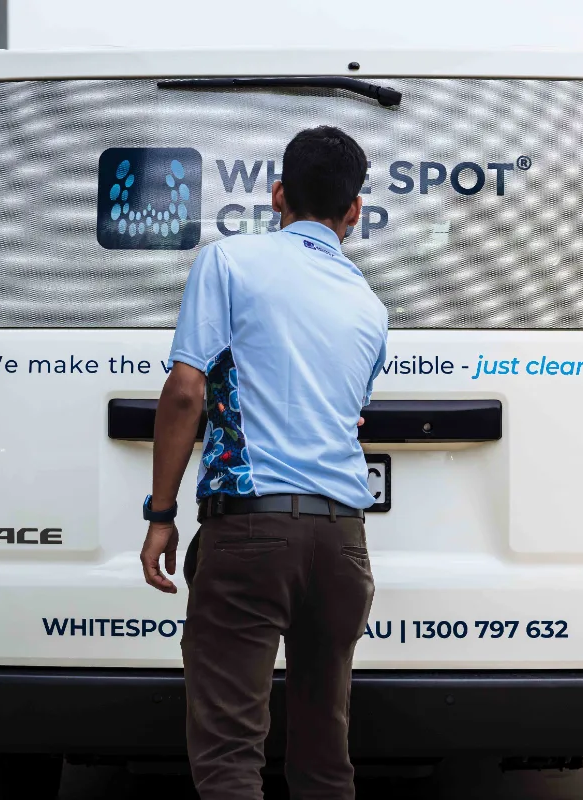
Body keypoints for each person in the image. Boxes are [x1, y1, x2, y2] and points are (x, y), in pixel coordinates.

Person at [139, 126, 388, 799]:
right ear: (354, 212)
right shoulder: (371, 307)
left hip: (250, 532)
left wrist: (160, 513)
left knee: (229, 754)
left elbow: (187, 390)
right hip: (343, 543)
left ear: (277, 194)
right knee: (324, 757)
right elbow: (350, 415)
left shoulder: (231, 263)